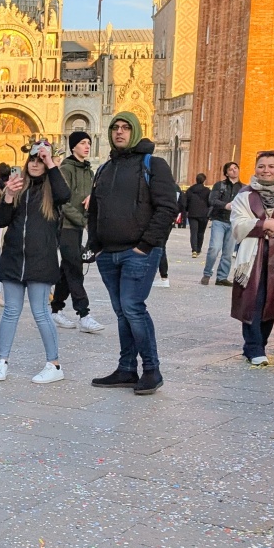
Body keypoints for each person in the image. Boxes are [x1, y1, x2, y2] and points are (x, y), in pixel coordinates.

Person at [87, 112, 177, 395]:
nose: (120, 132)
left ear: (135, 131)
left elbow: (167, 208)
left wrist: (146, 245)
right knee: (122, 312)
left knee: (133, 308)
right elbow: (95, 210)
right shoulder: (105, 168)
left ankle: (152, 369)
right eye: (115, 127)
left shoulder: (154, 164)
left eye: (126, 128)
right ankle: (127, 369)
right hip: (108, 254)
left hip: (137, 253)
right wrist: (96, 243)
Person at [0, 143, 71, 383]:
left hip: (40, 261)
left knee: (41, 313)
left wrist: (51, 163)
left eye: (40, 159)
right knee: (10, 312)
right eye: (32, 159)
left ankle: (54, 365)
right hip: (14, 259)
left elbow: (66, 195)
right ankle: (2, 361)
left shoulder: (52, 190)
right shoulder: (18, 188)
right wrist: (9, 196)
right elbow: (0, 221)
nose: (35, 163)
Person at [229, 151, 274, 365]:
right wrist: (265, 225)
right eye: (262, 166)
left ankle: (259, 344)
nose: (266, 170)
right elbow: (237, 224)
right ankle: (254, 348)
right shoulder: (244, 194)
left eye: (271, 166)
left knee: (273, 302)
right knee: (253, 301)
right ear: (255, 168)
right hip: (253, 257)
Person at [51, 131, 106, 333]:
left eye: (88, 143)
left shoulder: (88, 171)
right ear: (73, 146)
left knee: (67, 267)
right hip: (65, 225)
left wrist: (91, 197)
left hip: (77, 227)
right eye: (82, 142)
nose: (87, 146)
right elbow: (62, 201)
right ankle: (84, 314)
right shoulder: (66, 169)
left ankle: (56, 309)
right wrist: (82, 219)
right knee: (74, 267)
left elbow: (89, 194)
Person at [202, 162, 243, 286]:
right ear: (226, 173)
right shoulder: (220, 185)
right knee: (214, 248)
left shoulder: (244, 188)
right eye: (231, 169)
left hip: (234, 222)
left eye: (236, 168)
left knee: (228, 252)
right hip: (219, 220)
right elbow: (212, 200)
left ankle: (222, 277)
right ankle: (207, 273)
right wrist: (226, 205)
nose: (234, 171)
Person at [184, 174, 211, 256]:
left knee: (193, 233)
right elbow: (210, 202)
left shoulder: (190, 190)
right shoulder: (207, 191)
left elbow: (185, 202)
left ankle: (194, 250)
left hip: (192, 214)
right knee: (201, 233)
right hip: (204, 214)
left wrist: (187, 210)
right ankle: (199, 249)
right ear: (204, 180)